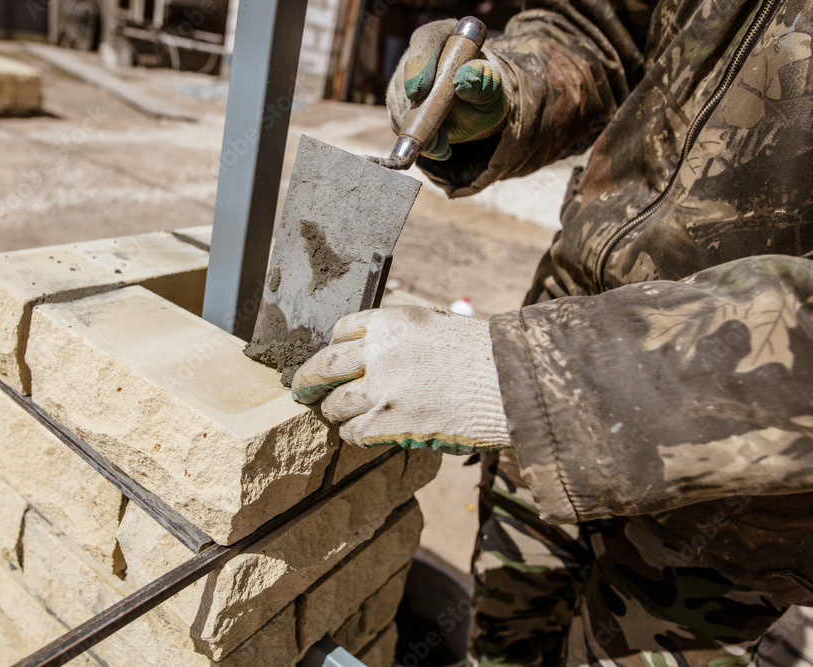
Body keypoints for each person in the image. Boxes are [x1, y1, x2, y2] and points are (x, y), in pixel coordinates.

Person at [290, 0, 813, 664]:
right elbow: (602, 28)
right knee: (501, 647)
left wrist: (535, 379)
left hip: (732, 505)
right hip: (549, 368)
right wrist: (511, 90)